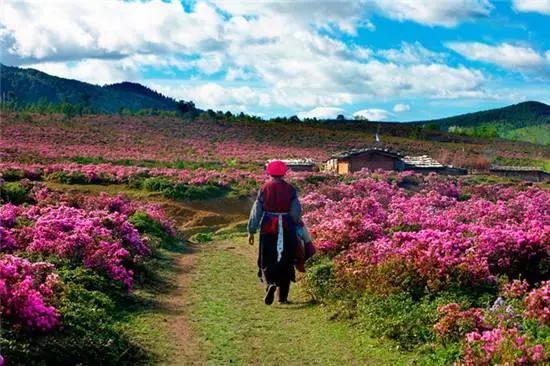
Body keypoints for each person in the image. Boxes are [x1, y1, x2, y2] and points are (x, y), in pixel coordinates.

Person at [248, 160, 302, 305]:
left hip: (268, 228)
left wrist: (251, 231)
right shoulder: (290, 189)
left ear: (269, 172)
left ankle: (270, 283)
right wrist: (297, 225)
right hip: (287, 228)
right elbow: (296, 212)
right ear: (284, 173)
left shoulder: (264, 188)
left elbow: (256, 211)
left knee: (267, 258)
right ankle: (283, 298)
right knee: (286, 260)